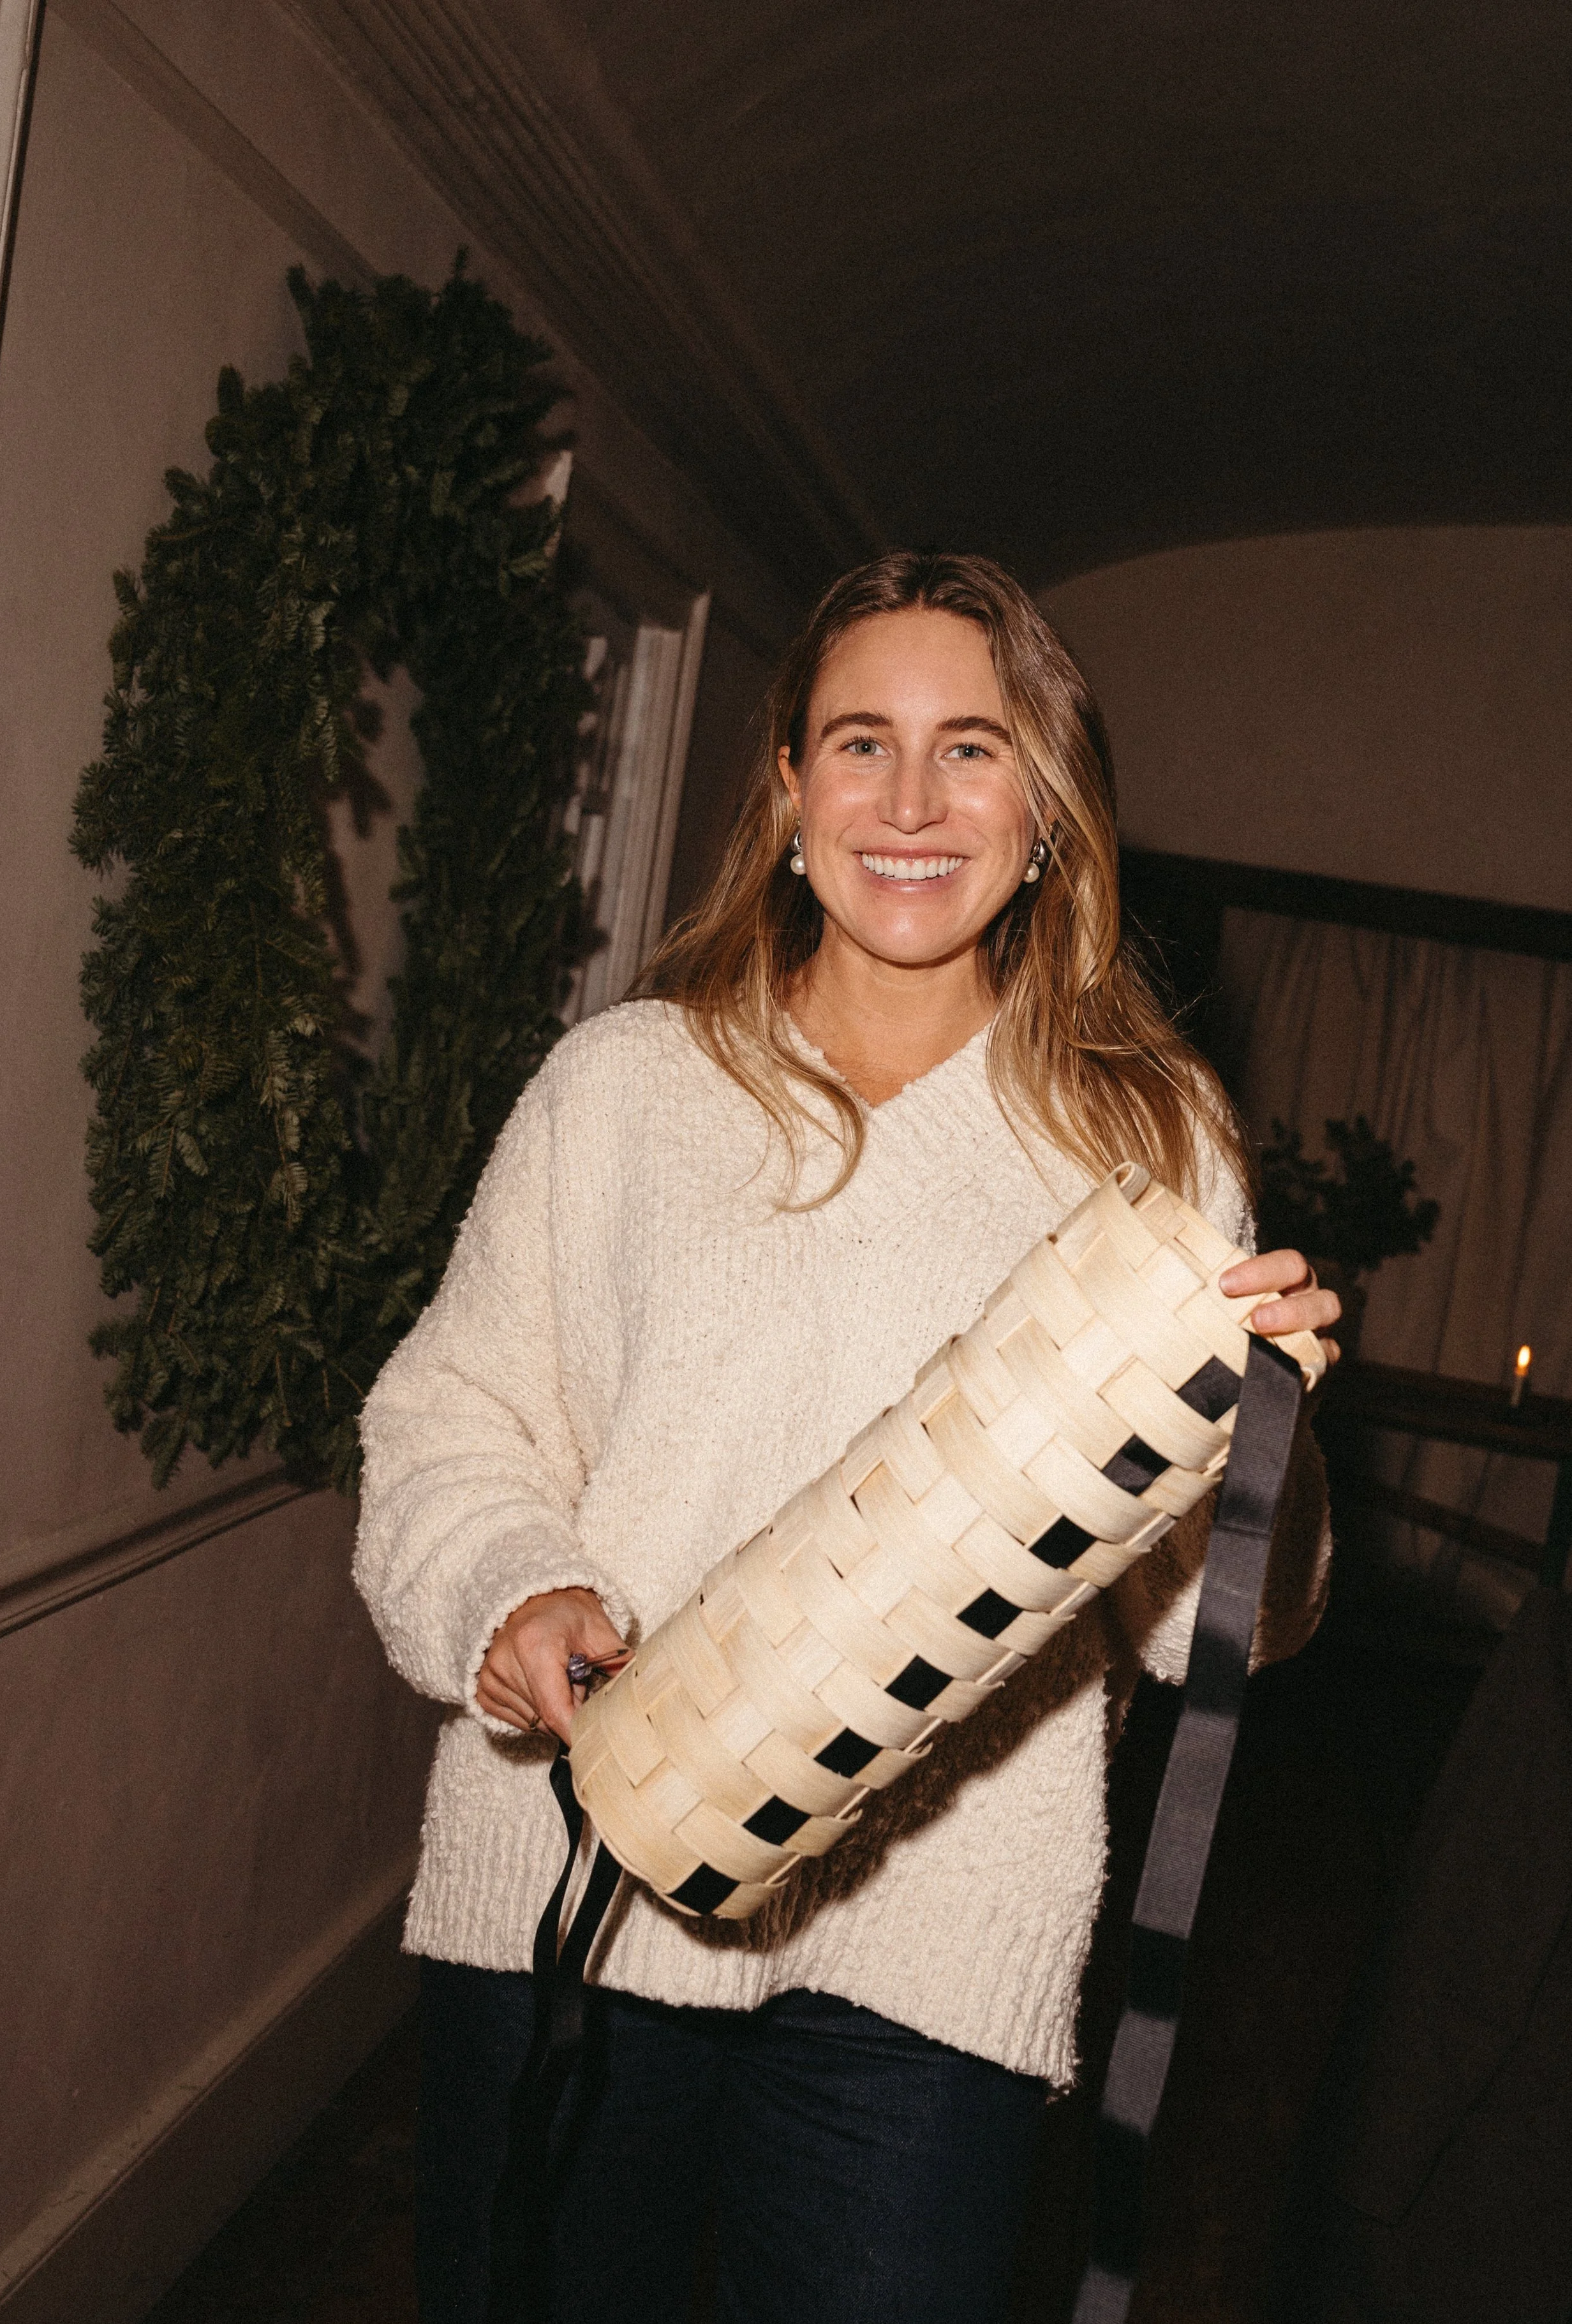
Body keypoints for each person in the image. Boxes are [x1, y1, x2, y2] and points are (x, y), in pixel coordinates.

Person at [355, 551, 1339, 2324]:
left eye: (972, 748)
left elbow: (1196, 1622)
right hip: (581, 1880)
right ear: (789, 792)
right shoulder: (622, 1090)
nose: (909, 802)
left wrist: (1267, 1439)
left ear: (1045, 811)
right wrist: (509, 1590)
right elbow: (453, 1416)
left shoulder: (1148, 1143)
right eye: (860, 742)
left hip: (931, 1959)